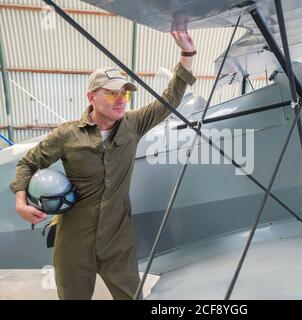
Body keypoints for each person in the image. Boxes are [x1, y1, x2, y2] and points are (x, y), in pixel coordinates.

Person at [9, 30, 197, 300]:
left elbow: (170, 99)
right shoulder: (66, 135)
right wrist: (20, 202)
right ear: (91, 97)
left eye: (124, 94)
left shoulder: (133, 123)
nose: (120, 100)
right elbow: (28, 162)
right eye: (110, 94)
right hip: (74, 241)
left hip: (117, 241)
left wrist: (187, 54)